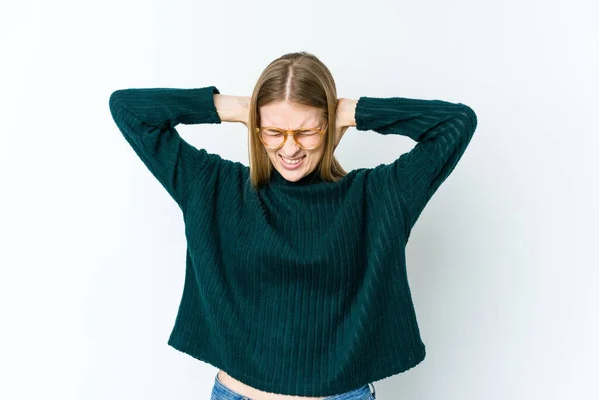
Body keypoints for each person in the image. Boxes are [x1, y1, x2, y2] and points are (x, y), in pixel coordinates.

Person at [108, 51, 477, 400]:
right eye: (274, 131)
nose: (290, 148)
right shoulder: (213, 186)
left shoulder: (376, 197)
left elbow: (456, 124)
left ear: (329, 125)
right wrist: (239, 107)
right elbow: (127, 108)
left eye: (306, 131)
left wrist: (356, 111)